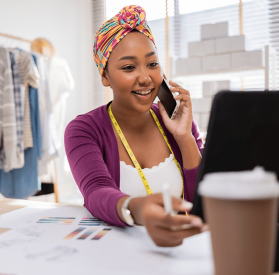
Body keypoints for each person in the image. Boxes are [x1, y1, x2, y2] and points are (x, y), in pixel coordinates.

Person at [64, 5, 207, 247]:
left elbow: (204, 204)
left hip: (180, 252)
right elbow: (96, 192)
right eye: (129, 67)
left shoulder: (177, 121)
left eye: (152, 64)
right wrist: (139, 209)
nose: (145, 77)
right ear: (105, 76)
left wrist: (185, 138)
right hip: (118, 255)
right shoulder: (84, 130)